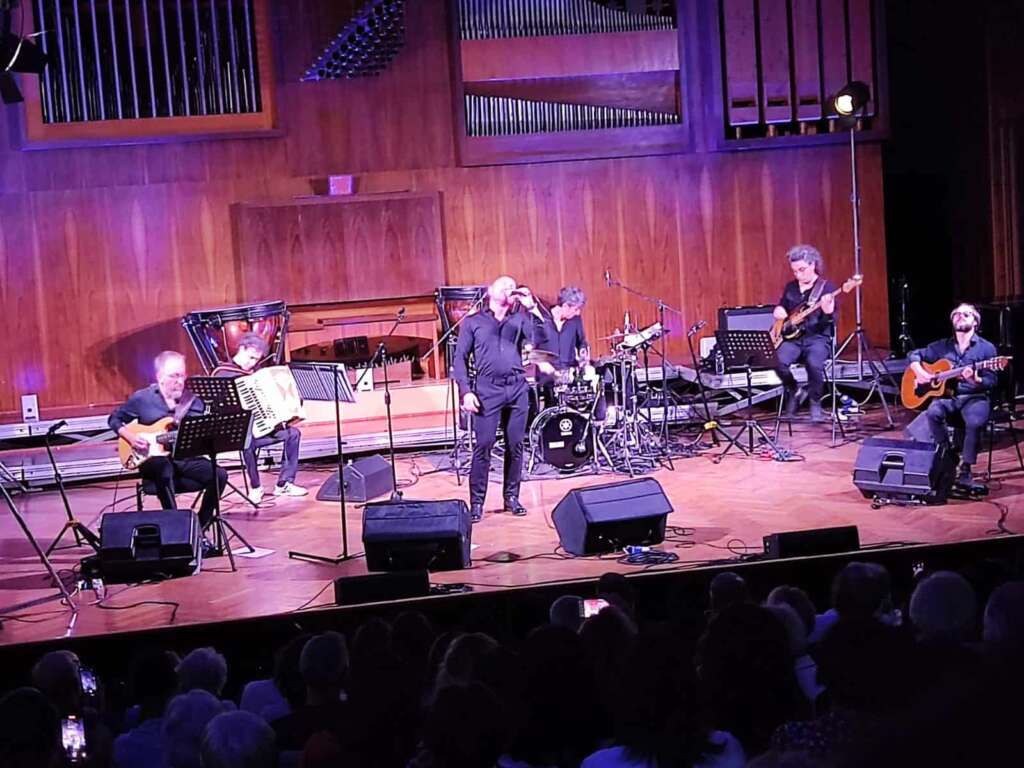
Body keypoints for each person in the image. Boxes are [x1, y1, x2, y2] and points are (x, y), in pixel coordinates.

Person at [453, 275, 551, 521]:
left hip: (517, 388)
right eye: (504, 285)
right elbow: (459, 360)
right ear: (490, 291)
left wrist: (533, 309)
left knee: (516, 445)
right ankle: (477, 502)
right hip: (487, 390)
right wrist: (466, 391)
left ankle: (511, 497)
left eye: (512, 285)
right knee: (483, 446)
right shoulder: (474, 322)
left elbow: (542, 339)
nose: (510, 288)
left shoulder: (519, 319)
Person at [109, 351, 226, 531]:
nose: (180, 381)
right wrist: (131, 438)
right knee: (163, 467)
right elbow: (114, 420)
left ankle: (200, 527)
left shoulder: (193, 401)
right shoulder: (143, 398)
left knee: (219, 475)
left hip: (185, 459)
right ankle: (176, 526)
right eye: (174, 376)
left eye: (182, 375)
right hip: (152, 460)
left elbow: (200, 433)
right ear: (160, 377)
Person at [907, 303, 998, 492]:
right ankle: (948, 456)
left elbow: (991, 382)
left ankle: (965, 470)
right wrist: (919, 372)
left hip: (975, 396)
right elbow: (914, 354)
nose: (960, 316)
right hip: (950, 397)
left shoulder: (987, 349)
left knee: (974, 421)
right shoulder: (942, 346)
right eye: (956, 314)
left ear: (975, 322)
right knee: (933, 412)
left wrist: (975, 379)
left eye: (966, 314)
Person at [212, 332, 306, 503]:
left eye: (256, 360)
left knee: (293, 434)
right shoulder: (222, 373)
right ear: (241, 349)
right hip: (236, 432)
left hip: (261, 428)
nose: (252, 363)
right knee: (247, 441)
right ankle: (256, 487)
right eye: (250, 357)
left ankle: (284, 483)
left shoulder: (258, 376)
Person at [772, 245, 836, 422]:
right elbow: (782, 306)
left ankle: (815, 402)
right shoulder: (791, 287)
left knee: (814, 363)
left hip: (816, 337)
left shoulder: (826, 287)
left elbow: (829, 320)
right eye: (795, 271)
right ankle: (795, 391)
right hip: (793, 337)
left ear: (813, 265)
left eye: (802, 270)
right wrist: (778, 310)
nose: (798, 275)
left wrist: (828, 310)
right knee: (777, 361)